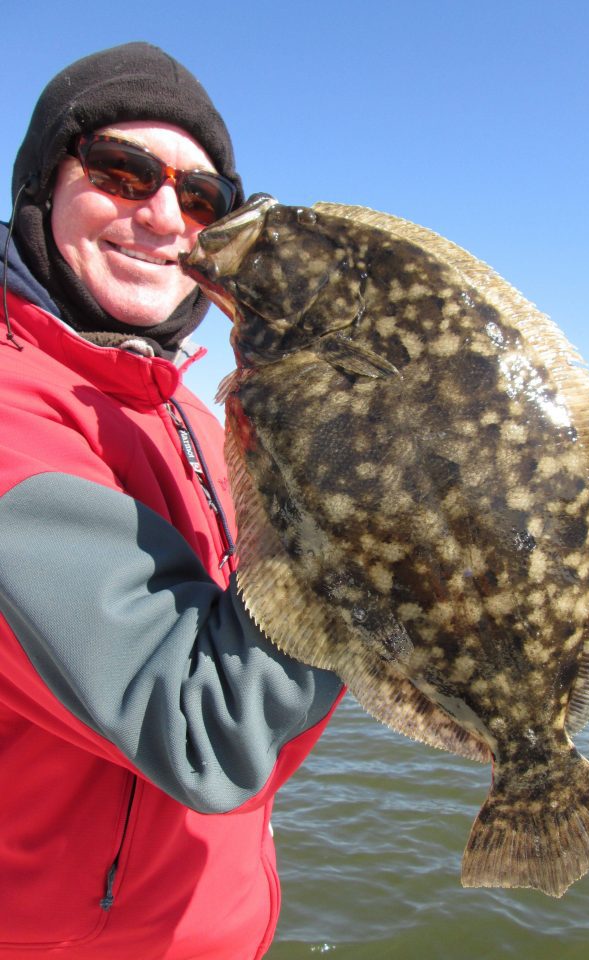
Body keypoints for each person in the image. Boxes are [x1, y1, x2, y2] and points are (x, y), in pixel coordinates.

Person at [0, 42, 343, 960]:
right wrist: (374, 520)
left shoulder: (193, 414)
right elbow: (204, 725)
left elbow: (267, 689)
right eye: (122, 171)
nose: (162, 215)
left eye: (201, 198)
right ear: (40, 185)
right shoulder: (11, 413)